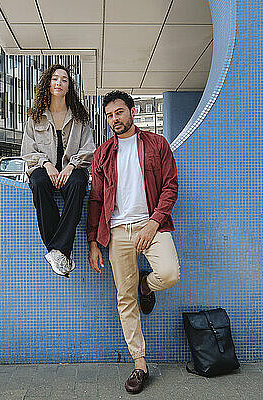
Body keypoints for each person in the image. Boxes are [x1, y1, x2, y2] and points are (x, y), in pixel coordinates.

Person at [87, 91, 180, 394]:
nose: (115, 119)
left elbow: (170, 186)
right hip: (117, 232)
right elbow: (97, 200)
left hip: (151, 224)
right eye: (110, 115)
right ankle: (139, 364)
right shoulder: (102, 154)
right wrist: (93, 242)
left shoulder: (157, 144)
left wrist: (154, 222)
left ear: (132, 111)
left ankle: (147, 284)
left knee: (169, 274)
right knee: (124, 298)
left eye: (119, 112)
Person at [21, 64, 95, 277]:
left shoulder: (80, 117)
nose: (59, 83)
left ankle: (57, 251)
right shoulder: (35, 117)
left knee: (79, 183)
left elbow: (89, 148)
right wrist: (47, 165)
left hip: (74, 168)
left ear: (69, 86)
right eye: (55, 79)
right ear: (48, 84)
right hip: (45, 167)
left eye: (64, 79)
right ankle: (60, 250)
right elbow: (28, 150)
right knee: (38, 182)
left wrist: (71, 166)